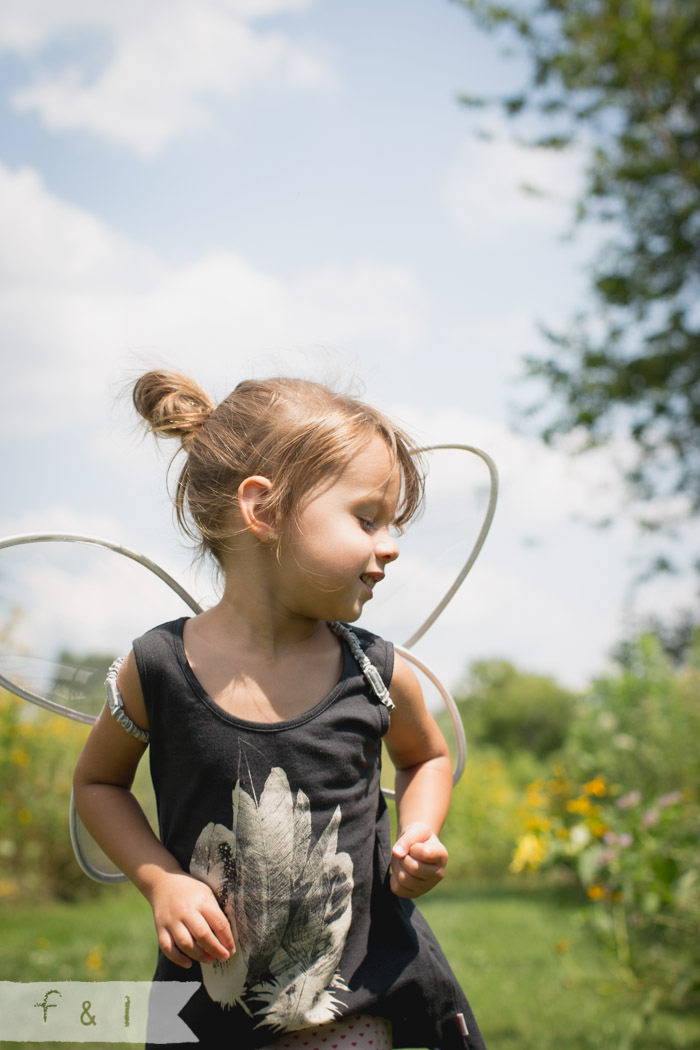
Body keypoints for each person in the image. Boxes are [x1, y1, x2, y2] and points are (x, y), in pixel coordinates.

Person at [73, 371, 488, 1050]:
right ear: (263, 510)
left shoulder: (375, 673)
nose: (392, 546)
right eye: (367, 518)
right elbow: (97, 784)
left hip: (358, 1015)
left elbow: (428, 756)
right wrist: (162, 883)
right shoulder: (157, 670)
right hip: (211, 1021)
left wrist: (421, 829)